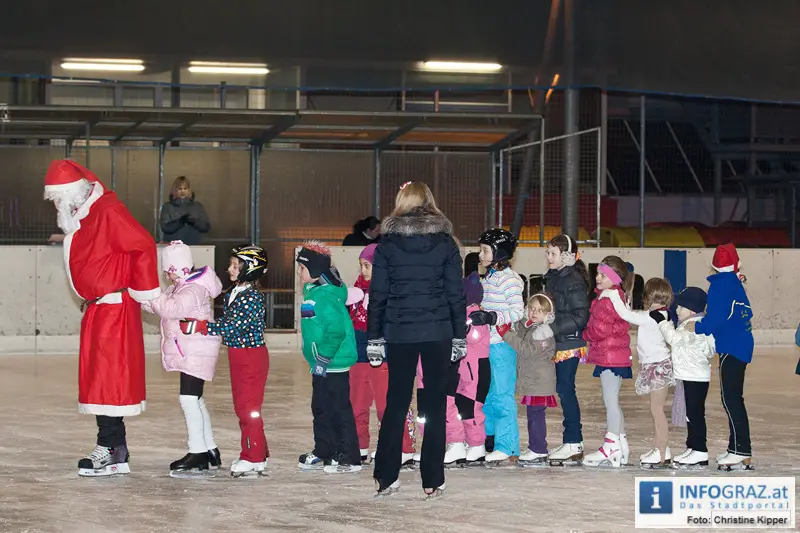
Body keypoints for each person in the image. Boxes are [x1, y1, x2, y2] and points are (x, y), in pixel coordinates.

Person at [43, 159, 161, 477]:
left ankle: (110, 447)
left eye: (57, 197)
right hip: (99, 309)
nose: (55, 203)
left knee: (108, 378)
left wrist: (146, 292)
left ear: (72, 193)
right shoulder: (89, 217)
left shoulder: (107, 211)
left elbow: (143, 244)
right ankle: (114, 447)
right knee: (99, 378)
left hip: (114, 310)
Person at [367, 181, 465, 499]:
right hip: (437, 333)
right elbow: (455, 294)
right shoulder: (446, 243)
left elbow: (378, 295)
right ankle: (432, 479)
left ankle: (385, 475)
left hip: (400, 333)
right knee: (434, 405)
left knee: (396, 403)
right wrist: (459, 335)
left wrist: (374, 338)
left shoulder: (387, 245)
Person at [180, 245, 270, 477]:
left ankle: (253, 457)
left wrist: (201, 326)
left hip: (251, 356)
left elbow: (232, 327)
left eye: (235, 265)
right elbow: (227, 323)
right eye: (231, 264)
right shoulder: (234, 292)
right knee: (244, 407)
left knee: (249, 408)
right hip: (238, 355)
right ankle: (259, 452)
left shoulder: (252, 298)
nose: (229, 269)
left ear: (250, 269)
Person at [141, 241, 223, 476]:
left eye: (168, 269)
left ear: (177, 268)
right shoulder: (181, 286)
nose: (166, 274)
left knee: (188, 399)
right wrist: (140, 296)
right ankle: (209, 449)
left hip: (196, 351)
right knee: (195, 399)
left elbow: (171, 309)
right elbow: (158, 305)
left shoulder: (192, 289)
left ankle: (197, 452)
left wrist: (152, 295)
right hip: (192, 351)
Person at [296, 241, 362, 474]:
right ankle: (325, 448)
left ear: (315, 271)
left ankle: (349, 455)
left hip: (333, 362)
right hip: (320, 363)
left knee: (338, 408)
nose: (299, 273)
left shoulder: (326, 297)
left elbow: (336, 331)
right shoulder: (312, 293)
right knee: (321, 407)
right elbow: (313, 327)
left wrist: (323, 359)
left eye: (302, 269)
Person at [347, 243, 416, 465]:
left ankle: (401, 446)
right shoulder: (356, 291)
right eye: (361, 266)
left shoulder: (393, 292)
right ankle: (358, 446)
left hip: (384, 356)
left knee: (388, 404)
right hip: (359, 354)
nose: (363, 271)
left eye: (368, 266)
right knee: (357, 403)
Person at [416, 272, 490, 466]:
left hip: (474, 371)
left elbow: (472, 336)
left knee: (471, 409)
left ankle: (475, 444)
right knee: (463, 408)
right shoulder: (457, 313)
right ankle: (465, 443)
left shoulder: (474, 316)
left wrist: (461, 327)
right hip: (464, 371)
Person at [601, 277, 675, 468]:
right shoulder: (659, 314)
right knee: (656, 410)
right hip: (656, 365)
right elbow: (633, 313)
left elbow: (625, 315)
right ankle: (660, 449)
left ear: (648, 296)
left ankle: (661, 451)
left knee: (657, 410)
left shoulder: (653, 316)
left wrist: (612, 295)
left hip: (658, 366)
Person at [694, 244, 755, 471]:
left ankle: (741, 450)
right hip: (740, 344)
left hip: (732, 346)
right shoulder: (734, 283)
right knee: (733, 398)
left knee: (731, 399)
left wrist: (697, 327)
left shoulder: (720, 287)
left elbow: (715, 319)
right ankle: (737, 448)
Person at [467, 228, 525, 465]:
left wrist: (492, 317)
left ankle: (508, 445)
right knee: (488, 394)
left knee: (501, 395)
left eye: (485, 251)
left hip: (502, 345)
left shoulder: (509, 280)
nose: (480, 255)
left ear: (499, 253)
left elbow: (517, 312)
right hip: (485, 345)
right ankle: (489, 439)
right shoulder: (489, 277)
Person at [581, 257, 633, 468]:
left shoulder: (606, 300)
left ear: (614, 278)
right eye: (598, 273)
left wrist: (583, 333)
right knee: (613, 400)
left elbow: (599, 330)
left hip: (610, 356)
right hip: (615, 355)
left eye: (603, 275)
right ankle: (620, 442)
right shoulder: (616, 296)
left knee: (610, 400)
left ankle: (611, 445)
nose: (597, 278)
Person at [543, 234, 590, 466]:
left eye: (553, 253)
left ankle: (574, 440)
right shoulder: (555, 278)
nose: (548, 257)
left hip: (569, 343)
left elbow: (581, 316)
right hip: (559, 341)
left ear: (567, 256)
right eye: (548, 253)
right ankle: (571, 440)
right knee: (562, 389)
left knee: (565, 389)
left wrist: (552, 327)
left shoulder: (572, 280)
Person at [656, 287, 716, 469]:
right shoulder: (690, 324)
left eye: (681, 307)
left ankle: (700, 450)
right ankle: (693, 447)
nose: (677, 310)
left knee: (695, 415)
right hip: (690, 376)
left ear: (692, 310)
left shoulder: (694, 326)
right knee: (691, 415)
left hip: (695, 377)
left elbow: (673, 339)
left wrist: (662, 322)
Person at [497, 293, 557, 467]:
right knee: (533, 415)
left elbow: (527, 350)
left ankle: (538, 449)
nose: (534, 313)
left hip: (540, 382)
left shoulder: (543, 332)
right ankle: (536, 447)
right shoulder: (532, 327)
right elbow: (523, 330)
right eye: (532, 309)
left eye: (540, 310)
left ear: (548, 314)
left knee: (536, 416)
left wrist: (506, 334)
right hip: (535, 382)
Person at [160, 176, 211, 245]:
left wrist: (194, 222)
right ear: (175, 190)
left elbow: (206, 227)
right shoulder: (168, 207)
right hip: (173, 248)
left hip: (194, 247)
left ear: (189, 190)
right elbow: (165, 228)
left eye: (185, 188)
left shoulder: (197, 206)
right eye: (179, 189)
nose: (182, 191)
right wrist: (180, 222)